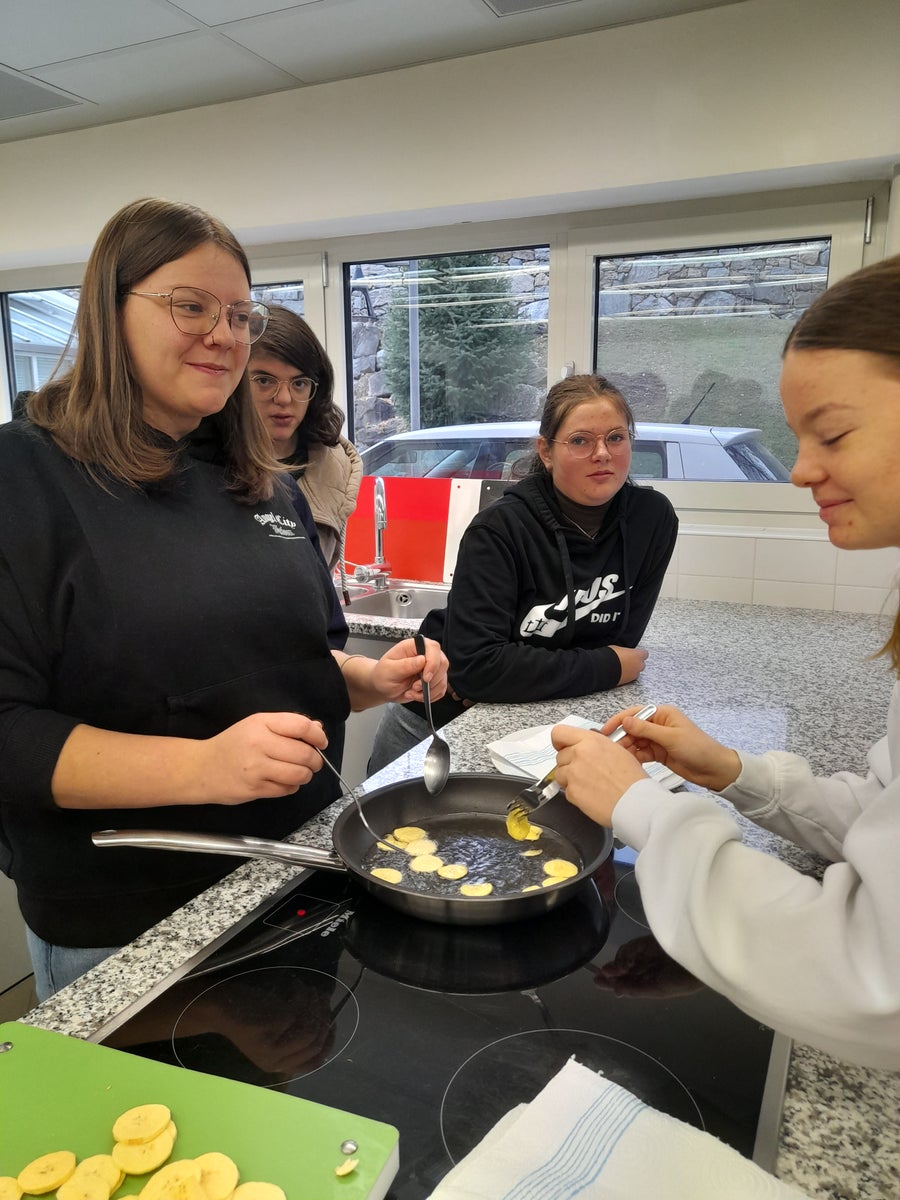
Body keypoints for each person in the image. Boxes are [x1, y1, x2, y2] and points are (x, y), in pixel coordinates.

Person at [0, 197, 447, 1001]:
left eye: (241, 314)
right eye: (191, 306)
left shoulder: (264, 483)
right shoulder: (24, 476)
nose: (225, 335)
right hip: (131, 914)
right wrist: (205, 766)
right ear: (109, 309)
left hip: (300, 866)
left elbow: (289, 662)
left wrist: (368, 679)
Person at [552, 254, 900, 1070]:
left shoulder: (649, 519)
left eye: (832, 434)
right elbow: (883, 820)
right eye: (799, 438)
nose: (801, 469)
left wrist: (643, 808)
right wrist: (736, 772)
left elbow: (874, 981)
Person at [369, 374, 679, 771]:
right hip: (438, 726)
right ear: (546, 451)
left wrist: (518, 671)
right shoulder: (499, 529)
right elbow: (480, 668)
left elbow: (622, 640)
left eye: (616, 437)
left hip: (543, 726)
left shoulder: (652, 520)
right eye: (581, 441)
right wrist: (608, 666)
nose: (603, 453)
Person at [248, 306, 362, 572]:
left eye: (299, 383)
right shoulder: (205, 464)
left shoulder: (335, 466)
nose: (284, 398)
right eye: (264, 381)